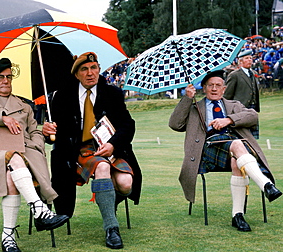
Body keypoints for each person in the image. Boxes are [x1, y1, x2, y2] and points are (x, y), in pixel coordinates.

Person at [0, 58, 69, 252]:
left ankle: (8, 238)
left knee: (12, 171)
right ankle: (39, 210)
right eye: (0, 77)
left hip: (23, 157)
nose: (6, 81)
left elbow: (35, 132)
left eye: (9, 77)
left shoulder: (24, 105)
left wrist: (38, 142)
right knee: (14, 157)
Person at [42, 52, 142, 249]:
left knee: (126, 183)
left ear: (99, 69)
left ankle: (107, 204)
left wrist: (113, 144)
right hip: (77, 150)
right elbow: (53, 135)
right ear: (77, 74)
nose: (90, 73)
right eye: (84, 69)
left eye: (94, 67)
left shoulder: (112, 93)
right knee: (102, 168)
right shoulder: (61, 96)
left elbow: (127, 124)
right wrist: (47, 131)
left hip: (110, 145)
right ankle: (112, 229)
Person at [169, 70, 282, 232]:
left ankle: (238, 216)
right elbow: (175, 124)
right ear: (204, 88)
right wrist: (187, 98)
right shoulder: (195, 108)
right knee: (237, 144)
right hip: (207, 150)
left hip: (232, 150)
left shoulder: (233, 105)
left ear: (224, 89)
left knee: (237, 162)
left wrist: (228, 120)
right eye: (210, 86)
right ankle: (266, 185)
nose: (214, 89)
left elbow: (253, 116)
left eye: (218, 85)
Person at [224, 49, 260, 139]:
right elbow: (227, 95)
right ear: (240, 61)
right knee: (241, 136)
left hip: (253, 110)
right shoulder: (234, 75)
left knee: (252, 139)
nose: (250, 60)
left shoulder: (253, 73)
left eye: (251, 58)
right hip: (240, 109)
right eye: (247, 58)